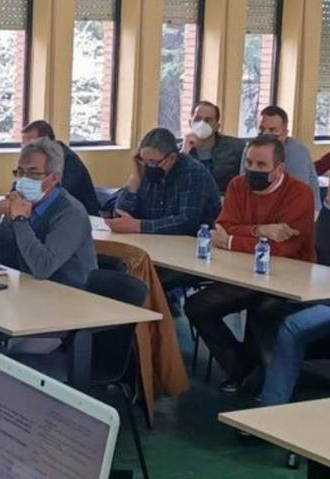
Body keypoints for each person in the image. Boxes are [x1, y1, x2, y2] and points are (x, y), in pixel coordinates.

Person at [185, 136, 315, 393]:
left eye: (261, 165)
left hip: (288, 279)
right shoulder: (237, 185)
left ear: (280, 168)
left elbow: (280, 249)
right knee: (197, 306)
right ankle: (241, 369)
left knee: (264, 311)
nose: (253, 170)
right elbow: (223, 227)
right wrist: (261, 230)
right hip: (243, 274)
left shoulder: (300, 194)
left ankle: (257, 382)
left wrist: (233, 240)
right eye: (249, 163)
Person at [0, 138, 98, 356]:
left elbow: (43, 267)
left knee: (18, 354)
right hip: (28, 300)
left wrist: (21, 222)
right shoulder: (21, 202)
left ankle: (10, 385)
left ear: (54, 178)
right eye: (19, 172)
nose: (23, 180)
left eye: (33, 173)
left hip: (66, 310)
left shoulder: (70, 213)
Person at [107, 127, 221, 236]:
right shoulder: (143, 170)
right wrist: (135, 178)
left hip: (190, 245)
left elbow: (186, 222)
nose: (148, 166)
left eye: (152, 161)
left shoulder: (193, 172)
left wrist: (138, 225)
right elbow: (119, 216)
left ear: (171, 158)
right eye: (143, 160)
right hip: (153, 241)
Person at [242, 106, 320, 216]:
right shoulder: (250, 149)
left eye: (272, 130)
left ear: (285, 133)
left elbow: (298, 194)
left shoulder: (297, 152)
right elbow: (244, 184)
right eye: (262, 129)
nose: (266, 134)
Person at [20, 120, 102, 216]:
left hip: (82, 217)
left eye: (30, 144)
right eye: (23, 144)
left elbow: (55, 194)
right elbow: (20, 183)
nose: (25, 148)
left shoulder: (67, 160)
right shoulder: (34, 160)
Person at [182, 100, 245, 193]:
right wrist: (184, 153)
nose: (202, 123)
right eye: (198, 119)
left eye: (208, 120)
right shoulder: (178, 151)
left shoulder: (236, 148)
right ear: (190, 122)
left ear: (216, 126)